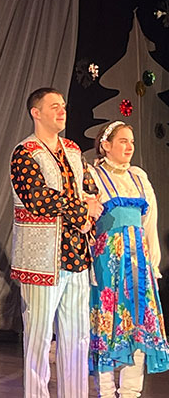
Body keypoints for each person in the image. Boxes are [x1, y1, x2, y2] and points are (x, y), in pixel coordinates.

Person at [9, 87, 103, 398]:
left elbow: (90, 190)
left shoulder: (73, 150)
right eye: (54, 106)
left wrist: (89, 210)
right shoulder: (25, 152)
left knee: (77, 336)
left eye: (63, 105)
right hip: (41, 258)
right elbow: (39, 199)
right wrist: (81, 210)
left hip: (76, 254)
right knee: (38, 337)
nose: (62, 111)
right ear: (36, 113)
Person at [88, 121, 169, 397]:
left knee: (138, 326)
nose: (129, 146)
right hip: (107, 262)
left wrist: (153, 263)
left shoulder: (138, 177)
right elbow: (86, 222)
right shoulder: (93, 176)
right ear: (106, 145)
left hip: (138, 264)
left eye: (131, 141)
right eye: (123, 141)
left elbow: (150, 223)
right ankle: (106, 391)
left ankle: (131, 392)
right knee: (108, 325)